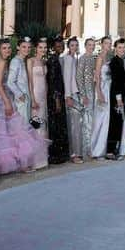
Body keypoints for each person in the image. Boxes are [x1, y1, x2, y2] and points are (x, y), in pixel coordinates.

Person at [0, 39, 49, 175]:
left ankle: (19, 163)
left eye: (8, 48)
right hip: (6, 99)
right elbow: (1, 83)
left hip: (9, 98)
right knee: (19, 132)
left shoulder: (11, 61)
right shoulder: (9, 61)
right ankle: (22, 164)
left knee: (11, 133)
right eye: (4, 48)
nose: (7, 51)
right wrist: (14, 97)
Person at [45, 36, 69, 164]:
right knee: (56, 126)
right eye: (58, 46)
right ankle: (56, 155)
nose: (61, 48)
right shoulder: (53, 61)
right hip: (55, 98)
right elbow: (52, 82)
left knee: (59, 125)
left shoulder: (57, 59)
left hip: (58, 96)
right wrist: (57, 100)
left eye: (62, 46)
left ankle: (60, 154)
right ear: (53, 47)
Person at [73, 37, 96, 162]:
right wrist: (83, 95)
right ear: (86, 45)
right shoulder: (82, 58)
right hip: (86, 95)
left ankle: (92, 148)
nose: (91, 47)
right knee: (87, 123)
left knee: (92, 122)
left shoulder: (94, 58)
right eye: (89, 45)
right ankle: (87, 151)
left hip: (94, 93)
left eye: (93, 45)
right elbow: (78, 77)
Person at [62, 37, 84, 163]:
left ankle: (77, 152)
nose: (74, 47)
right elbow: (67, 78)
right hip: (71, 96)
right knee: (74, 126)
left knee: (77, 125)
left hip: (75, 94)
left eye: (76, 45)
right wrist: (68, 96)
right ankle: (74, 155)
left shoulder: (74, 59)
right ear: (68, 46)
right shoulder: (68, 59)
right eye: (72, 45)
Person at [28, 38, 50, 155]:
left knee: (43, 123)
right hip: (35, 95)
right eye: (41, 47)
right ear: (36, 48)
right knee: (35, 124)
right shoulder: (30, 61)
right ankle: (34, 157)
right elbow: (30, 81)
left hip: (43, 97)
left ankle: (42, 156)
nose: (43, 49)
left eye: (45, 47)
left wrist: (46, 94)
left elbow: (45, 81)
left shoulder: (43, 62)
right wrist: (32, 99)